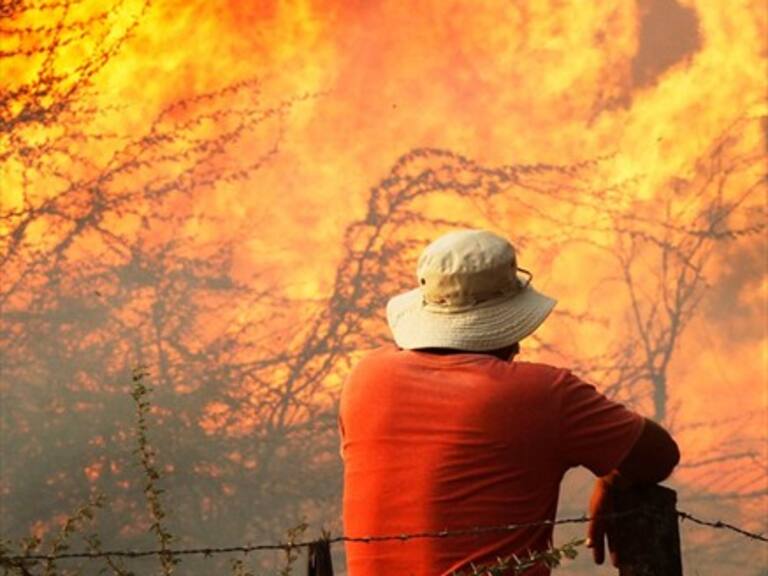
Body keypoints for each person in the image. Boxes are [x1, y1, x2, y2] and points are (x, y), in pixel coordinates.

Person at [339, 229, 680, 575]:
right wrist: (611, 475)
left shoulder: (365, 378)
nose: (517, 346)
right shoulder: (542, 393)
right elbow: (659, 456)